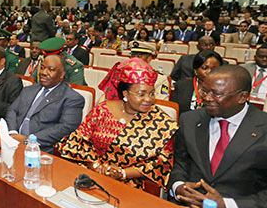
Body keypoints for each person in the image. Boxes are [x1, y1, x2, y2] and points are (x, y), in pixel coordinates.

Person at [168, 65, 267, 208]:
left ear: (242, 97)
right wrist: (178, 186)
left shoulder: (265, 129)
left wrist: (228, 206)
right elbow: (180, 164)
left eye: (216, 94)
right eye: (204, 91)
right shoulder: (190, 120)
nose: (206, 98)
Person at [56, 58, 178, 189]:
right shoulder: (102, 110)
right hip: (89, 175)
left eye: (152, 93)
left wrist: (122, 173)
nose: (148, 99)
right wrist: (96, 166)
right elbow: (78, 140)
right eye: (141, 94)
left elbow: (162, 162)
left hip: (129, 185)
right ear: (125, 93)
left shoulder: (161, 122)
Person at [5, 55, 85, 153]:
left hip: (42, 150)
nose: (43, 73)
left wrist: (28, 140)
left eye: (50, 70)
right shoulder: (29, 89)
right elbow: (12, 110)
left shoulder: (72, 98)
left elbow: (65, 128)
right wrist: (12, 132)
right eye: (42, 68)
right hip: (13, 142)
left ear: (61, 74)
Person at [172, 50, 224, 115]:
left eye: (214, 69)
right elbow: (174, 111)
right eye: (205, 68)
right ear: (196, 71)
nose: (209, 72)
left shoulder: (223, 91)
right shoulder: (181, 85)